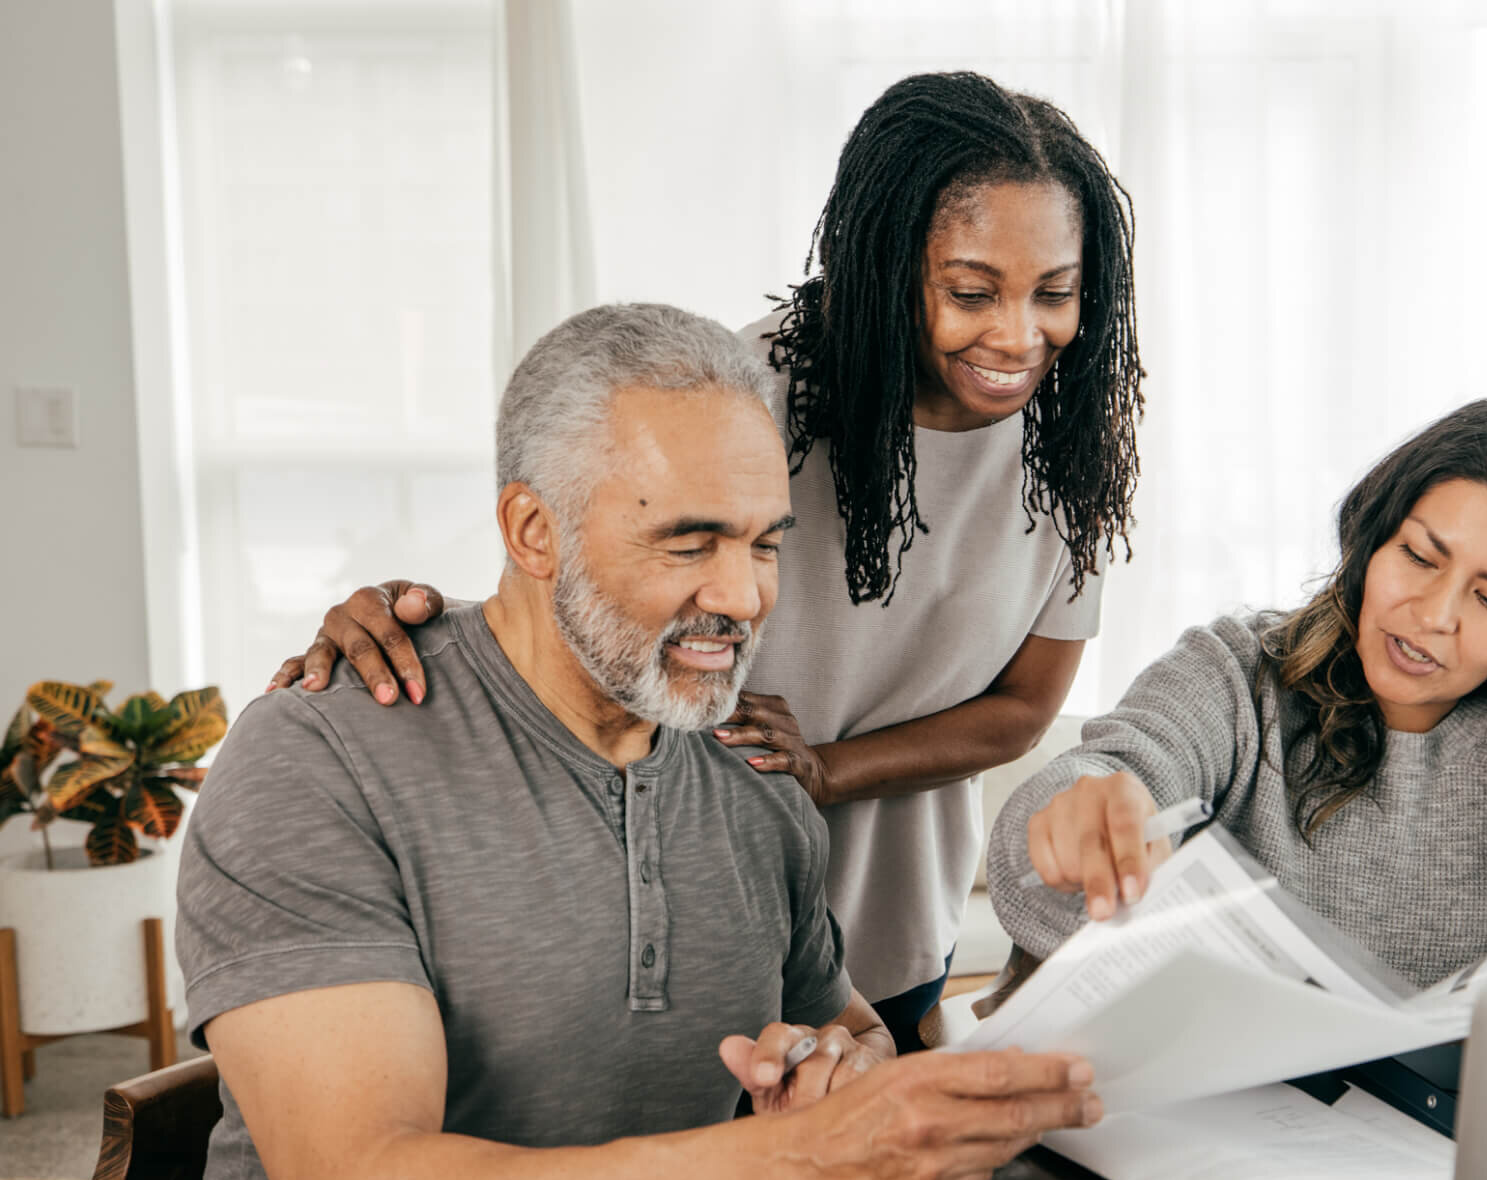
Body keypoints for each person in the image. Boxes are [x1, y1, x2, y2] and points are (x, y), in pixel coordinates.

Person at [265, 71, 1145, 1051]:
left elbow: (1023, 708)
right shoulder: (739, 397)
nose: (1018, 336)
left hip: (891, 917)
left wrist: (826, 769)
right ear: (886, 266)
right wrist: (403, 618)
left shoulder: (1065, 451)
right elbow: (585, 609)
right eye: (971, 292)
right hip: (688, 918)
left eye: (1054, 293)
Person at [178, 304, 1101, 1180]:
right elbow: (354, 1166)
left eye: (764, 543)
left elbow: (849, 1029)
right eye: (689, 544)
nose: (744, 599)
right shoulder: (317, 760)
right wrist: (793, 1158)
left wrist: (835, 1079)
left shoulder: (752, 773)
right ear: (534, 532)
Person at [986, 399, 1487, 985]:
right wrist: (1086, 811)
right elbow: (1103, 783)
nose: (1432, 617)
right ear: (1373, 540)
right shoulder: (1235, 674)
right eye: (1419, 557)